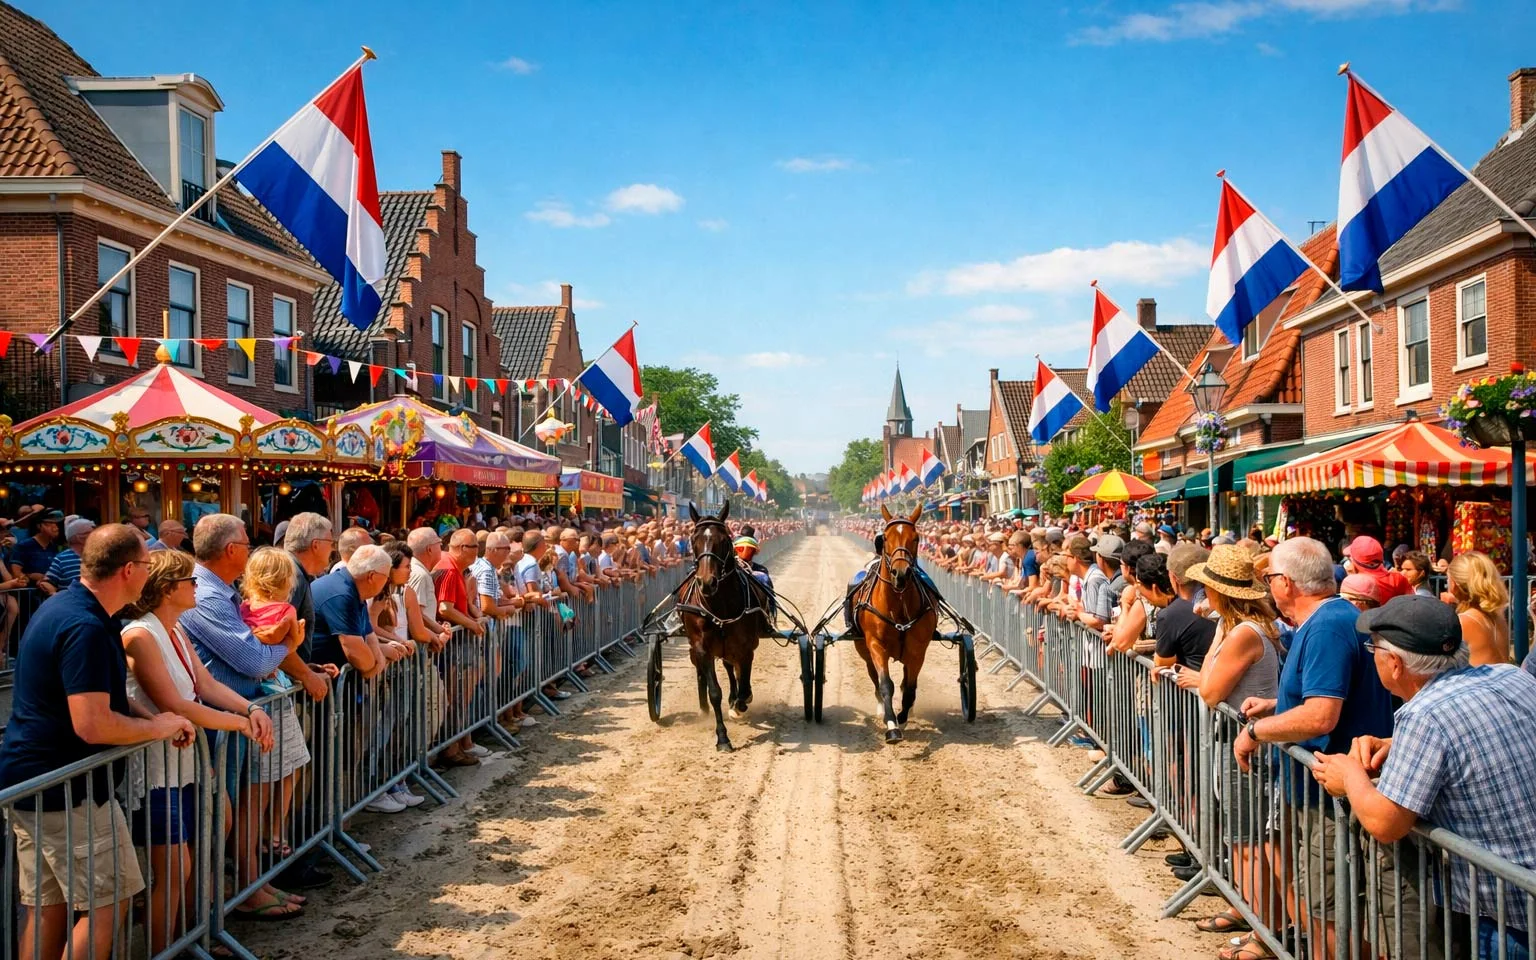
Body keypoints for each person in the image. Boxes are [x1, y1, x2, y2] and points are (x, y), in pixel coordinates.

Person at [0, 524, 195, 960]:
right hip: (66, 792)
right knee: (108, 903)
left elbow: (103, 693)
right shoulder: (83, 624)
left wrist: (153, 716)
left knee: (46, 907)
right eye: (147, 564)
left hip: (39, 784)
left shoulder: (80, 612)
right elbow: (92, 723)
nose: (149, 573)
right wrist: (158, 728)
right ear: (128, 569)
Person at [1314, 595, 1536, 960]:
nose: (1373, 658)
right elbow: (1473, 735)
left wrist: (1350, 775)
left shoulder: (1423, 715)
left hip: (1509, 910)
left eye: (1375, 649)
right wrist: (1398, 744)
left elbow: (1387, 824)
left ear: (1396, 664)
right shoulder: (1510, 675)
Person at [1232, 536, 1394, 960]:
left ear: (1285, 583)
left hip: (1329, 797)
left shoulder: (1325, 625)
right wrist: (1278, 704)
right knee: (1324, 904)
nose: (1267, 586)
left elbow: (1322, 715)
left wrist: (1256, 731)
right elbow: (1334, 695)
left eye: (1268, 578)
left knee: (1325, 911)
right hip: (1334, 790)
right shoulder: (1340, 616)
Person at [120, 549, 279, 946]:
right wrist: (242, 723)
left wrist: (251, 707)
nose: (197, 587)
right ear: (168, 588)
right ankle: (166, 948)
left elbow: (206, 686)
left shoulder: (174, 629)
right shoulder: (141, 634)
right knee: (174, 869)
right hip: (157, 771)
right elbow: (177, 703)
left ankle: (192, 939)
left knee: (193, 862)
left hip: (187, 761)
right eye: (190, 581)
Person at [1179, 545, 1282, 940]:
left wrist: (1216, 641)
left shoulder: (1242, 632)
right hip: (1240, 741)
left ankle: (1262, 927)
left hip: (1245, 747)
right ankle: (1246, 908)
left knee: (1246, 840)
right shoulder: (1242, 627)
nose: (1203, 596)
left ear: (1222, 593)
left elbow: (1208, 690)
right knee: (1242, 837)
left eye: (1208, 589)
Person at [1442, 551, 1512, 666]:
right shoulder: (1497, 617)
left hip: (1477, 683)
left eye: (1448, 580)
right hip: (1504, 681)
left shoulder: (1462, 622)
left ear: (1454, 584)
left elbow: (1439, 664)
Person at [1342, 535, 1412, 601]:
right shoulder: (1398, 579)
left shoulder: (1355, 586)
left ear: (1356, 563)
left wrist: (1352, 579)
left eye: (1350, 559)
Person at [39, 518, 93, 596]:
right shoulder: (62, 558)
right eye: (90, 533)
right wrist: (55, 595)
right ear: (79, 537)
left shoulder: (103, 554)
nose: (95, 536)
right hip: (72, 604)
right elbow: (47, 582)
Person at [9, 507, 63, 586]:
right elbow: (16, 574)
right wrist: (29, 576)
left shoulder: (55, 548)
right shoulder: (24, 546)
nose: (55, 528)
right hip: (29, 595)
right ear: (39, 526)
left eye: (57, 524)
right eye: (49, 524)